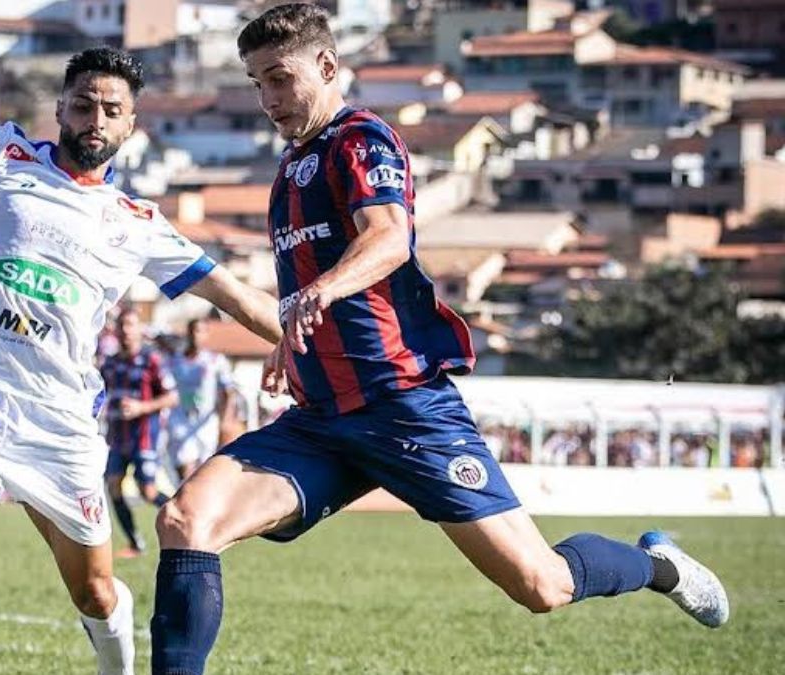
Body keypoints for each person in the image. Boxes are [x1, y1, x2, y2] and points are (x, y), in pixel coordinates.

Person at [148, 6, 730, 674]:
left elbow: (389, 236)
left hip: (405, 408)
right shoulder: (290, 169)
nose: (268, 98)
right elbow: (309, 281)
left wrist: (323, 292)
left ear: (328, 66)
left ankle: (657, 566)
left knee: (542, 585)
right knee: (187, 522)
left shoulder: (360, 139)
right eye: (256, 82)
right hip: (321, 421)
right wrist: (292, 338)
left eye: (279, 77)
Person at [0, 46, 282, 675]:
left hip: (60, 419)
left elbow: (234, 295)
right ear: (59, 107)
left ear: (130, 126)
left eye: (111, 110)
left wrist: (307, 339)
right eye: (84, 103)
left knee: (93, 592)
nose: (95, 118)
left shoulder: (137, 223)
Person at [100, 307, 178, 558]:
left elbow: (172, 397)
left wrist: (142, 407)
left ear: (139, 329)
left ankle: (187, 517)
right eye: (121, 325)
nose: (125, 330)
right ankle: (135, 543)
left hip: (144, 436)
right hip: (117, 437)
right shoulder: (110, 363)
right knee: (113, 487)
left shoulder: (152, 360)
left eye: (130, 325)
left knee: (148, 491)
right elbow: (98, 393)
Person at [165, 319, 236, 481]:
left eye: (200, 331)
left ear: (206, 335)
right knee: (185, 469)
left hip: (205, 423)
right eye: (192, 331)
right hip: (180, 420)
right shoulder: (175, 360)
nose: (195, 335)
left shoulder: (215, 360)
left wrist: (226, 419)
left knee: (204, 472)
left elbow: (228, 392)